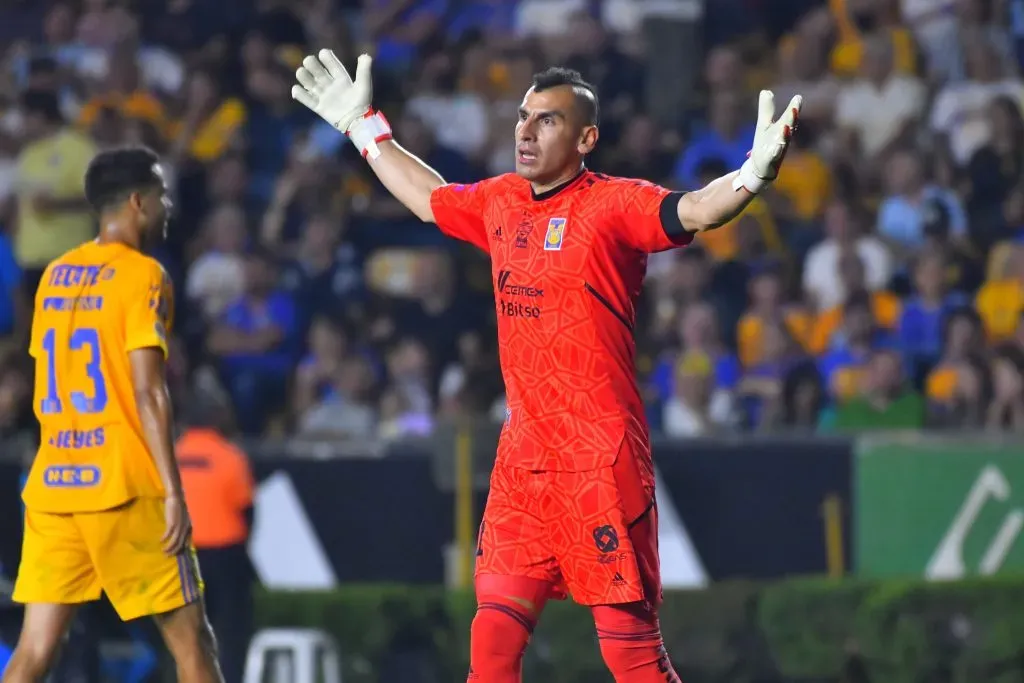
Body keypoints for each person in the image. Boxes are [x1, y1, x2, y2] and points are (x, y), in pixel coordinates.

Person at [292, 50, 801, 683]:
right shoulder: (502, 202)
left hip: (598, 457)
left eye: (547, 121)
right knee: (493, 644)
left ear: (586, 137)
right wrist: (363, 128)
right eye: (522, 117)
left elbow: (695, 209)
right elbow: (430, 200)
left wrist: (751, 176)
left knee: (631, 656)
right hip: (523, 458)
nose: (526, 132)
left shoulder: (613, 205)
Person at [4, 147, 223, 683]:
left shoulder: (54, 275)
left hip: (56, 485)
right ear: (136, 202)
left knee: (32, 653)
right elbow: (148, 391)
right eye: (161, 195)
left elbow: (41, 380)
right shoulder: (144, 275)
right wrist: (173, 492)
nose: (167, 206)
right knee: (191, 641)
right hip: (123, 485)